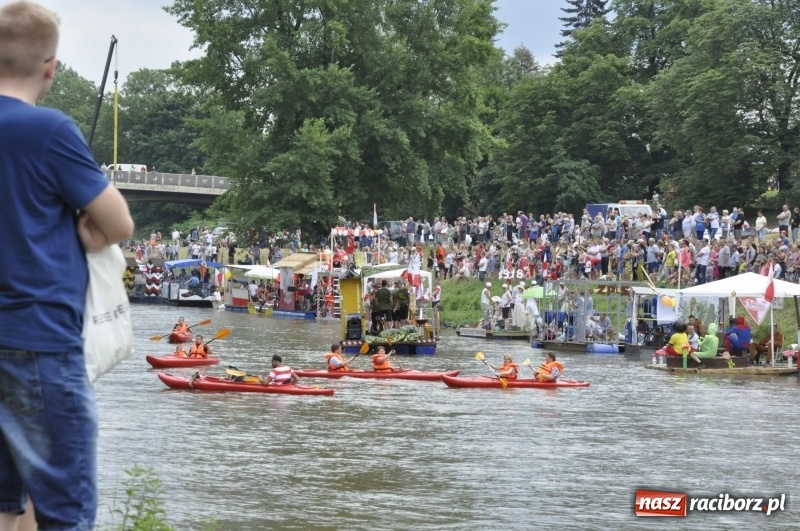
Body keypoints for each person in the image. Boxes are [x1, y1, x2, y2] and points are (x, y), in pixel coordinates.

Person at [0, 3, 135, 529]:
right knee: (65, 509)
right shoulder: (50, 131)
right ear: (50, 68)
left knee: (6, 506)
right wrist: (88, 229)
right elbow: (119, 222)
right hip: (38, 340)